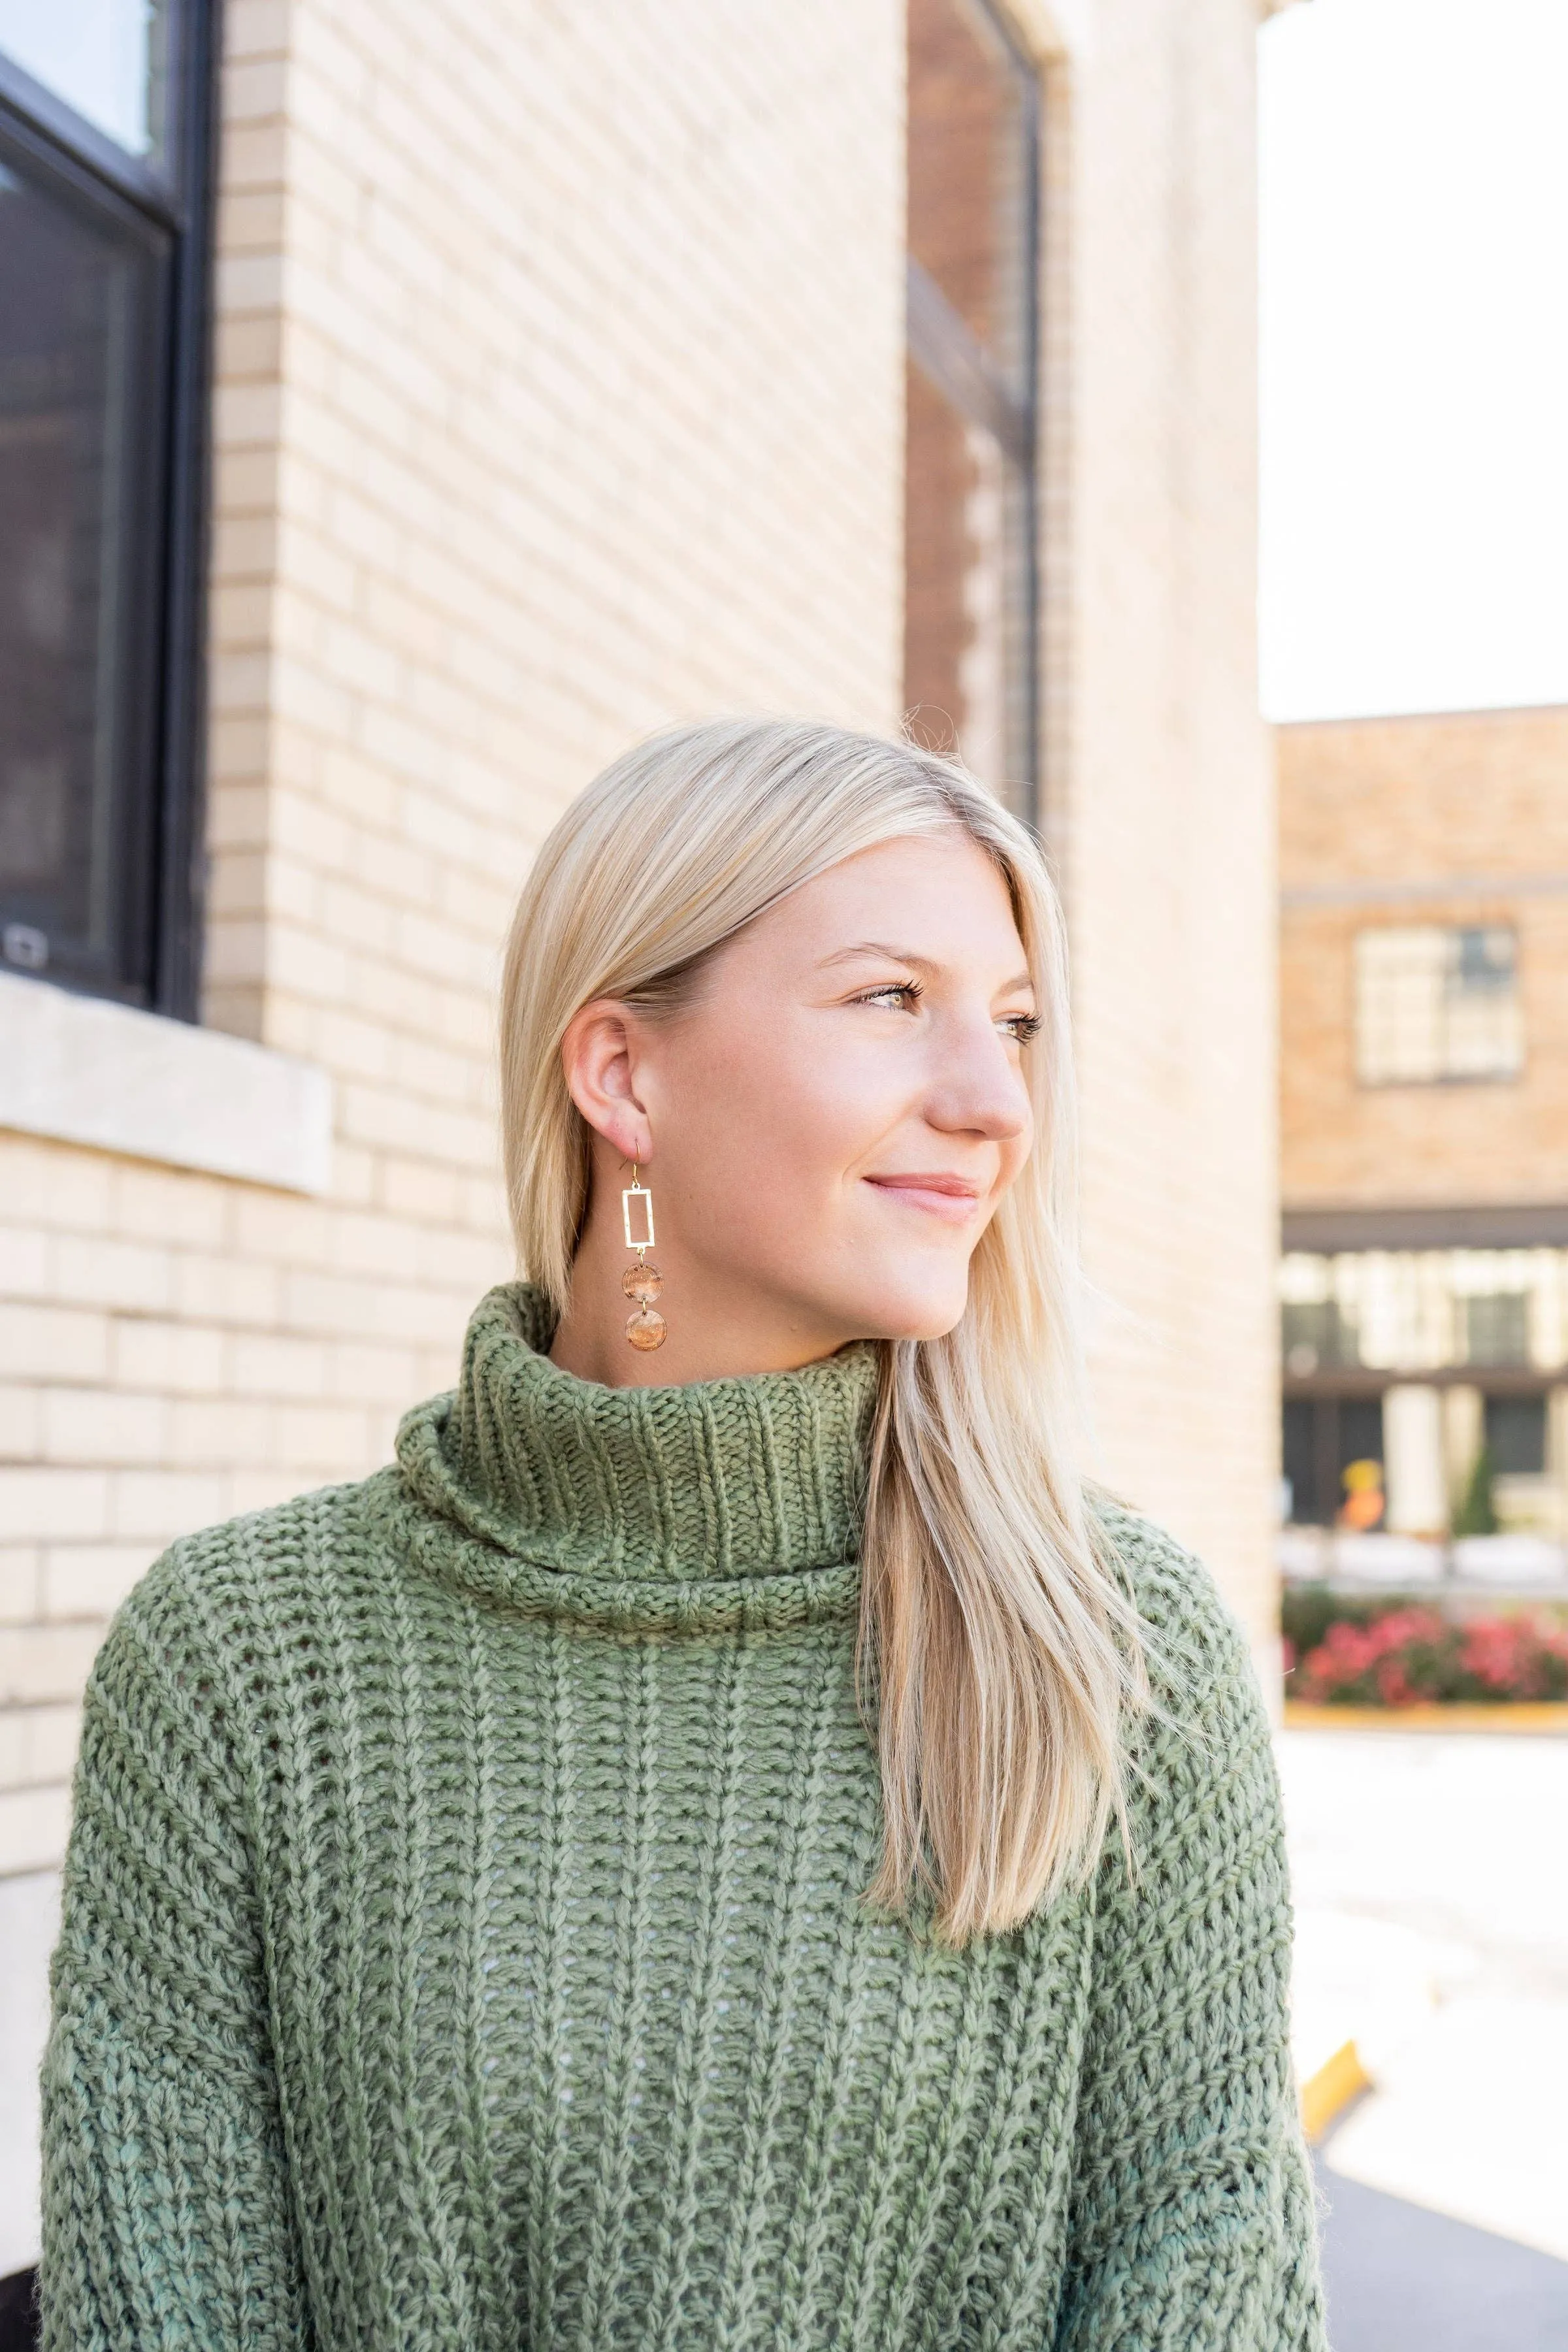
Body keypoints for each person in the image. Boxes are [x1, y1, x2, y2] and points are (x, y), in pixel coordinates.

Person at [39, 719, 1326, 2350]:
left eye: (1014, 1023)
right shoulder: (245, 1662)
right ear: (622, 1072)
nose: (996, 1100)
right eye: (890, 1001)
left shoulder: (1111, 1648)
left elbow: (1206, 2272)